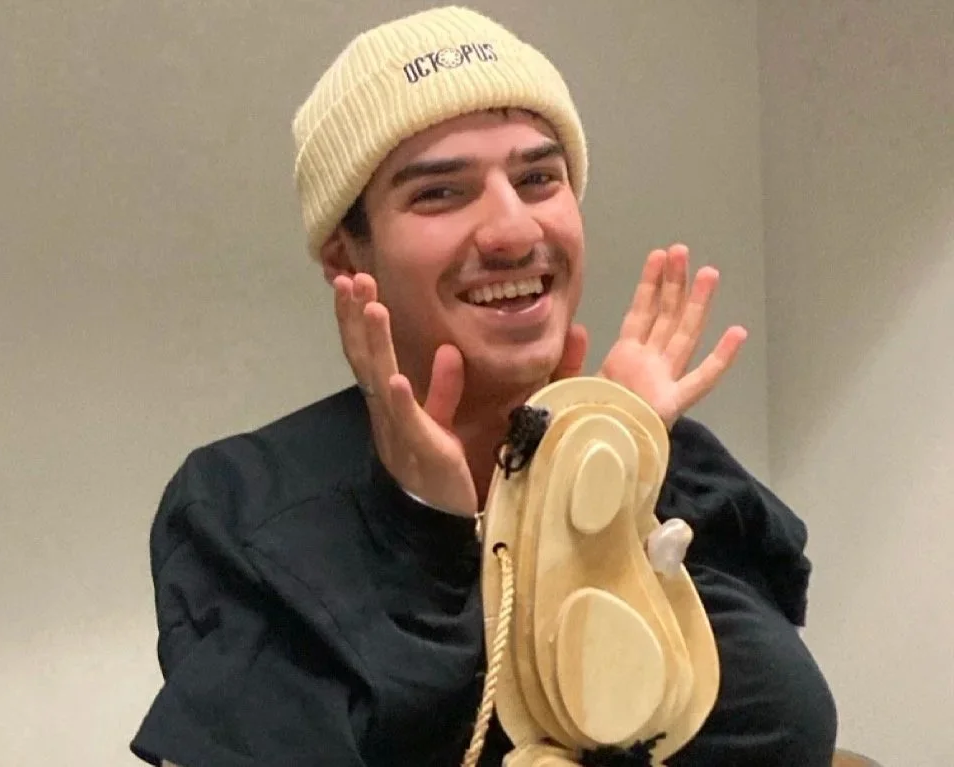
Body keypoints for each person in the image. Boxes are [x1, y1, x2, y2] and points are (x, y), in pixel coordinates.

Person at [130, 6, 838, 766]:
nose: (514, 231)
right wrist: (422, 531)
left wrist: (604, 484)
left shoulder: (670, 464)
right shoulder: (246, 509)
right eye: (440, 193)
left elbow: (775, 729)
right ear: (345, 257)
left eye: (538, 179)